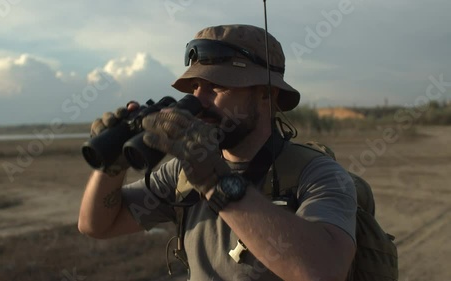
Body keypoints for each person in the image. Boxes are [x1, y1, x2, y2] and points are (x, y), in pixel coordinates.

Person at [78, 24, 357, 281]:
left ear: (266, 95)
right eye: (196, 87)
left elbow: (324, 271)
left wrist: (214, 181)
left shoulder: (316, 174)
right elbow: (97, 225)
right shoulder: (182, 174)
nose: (199, 100)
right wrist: (111, 166)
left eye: (218, 86)